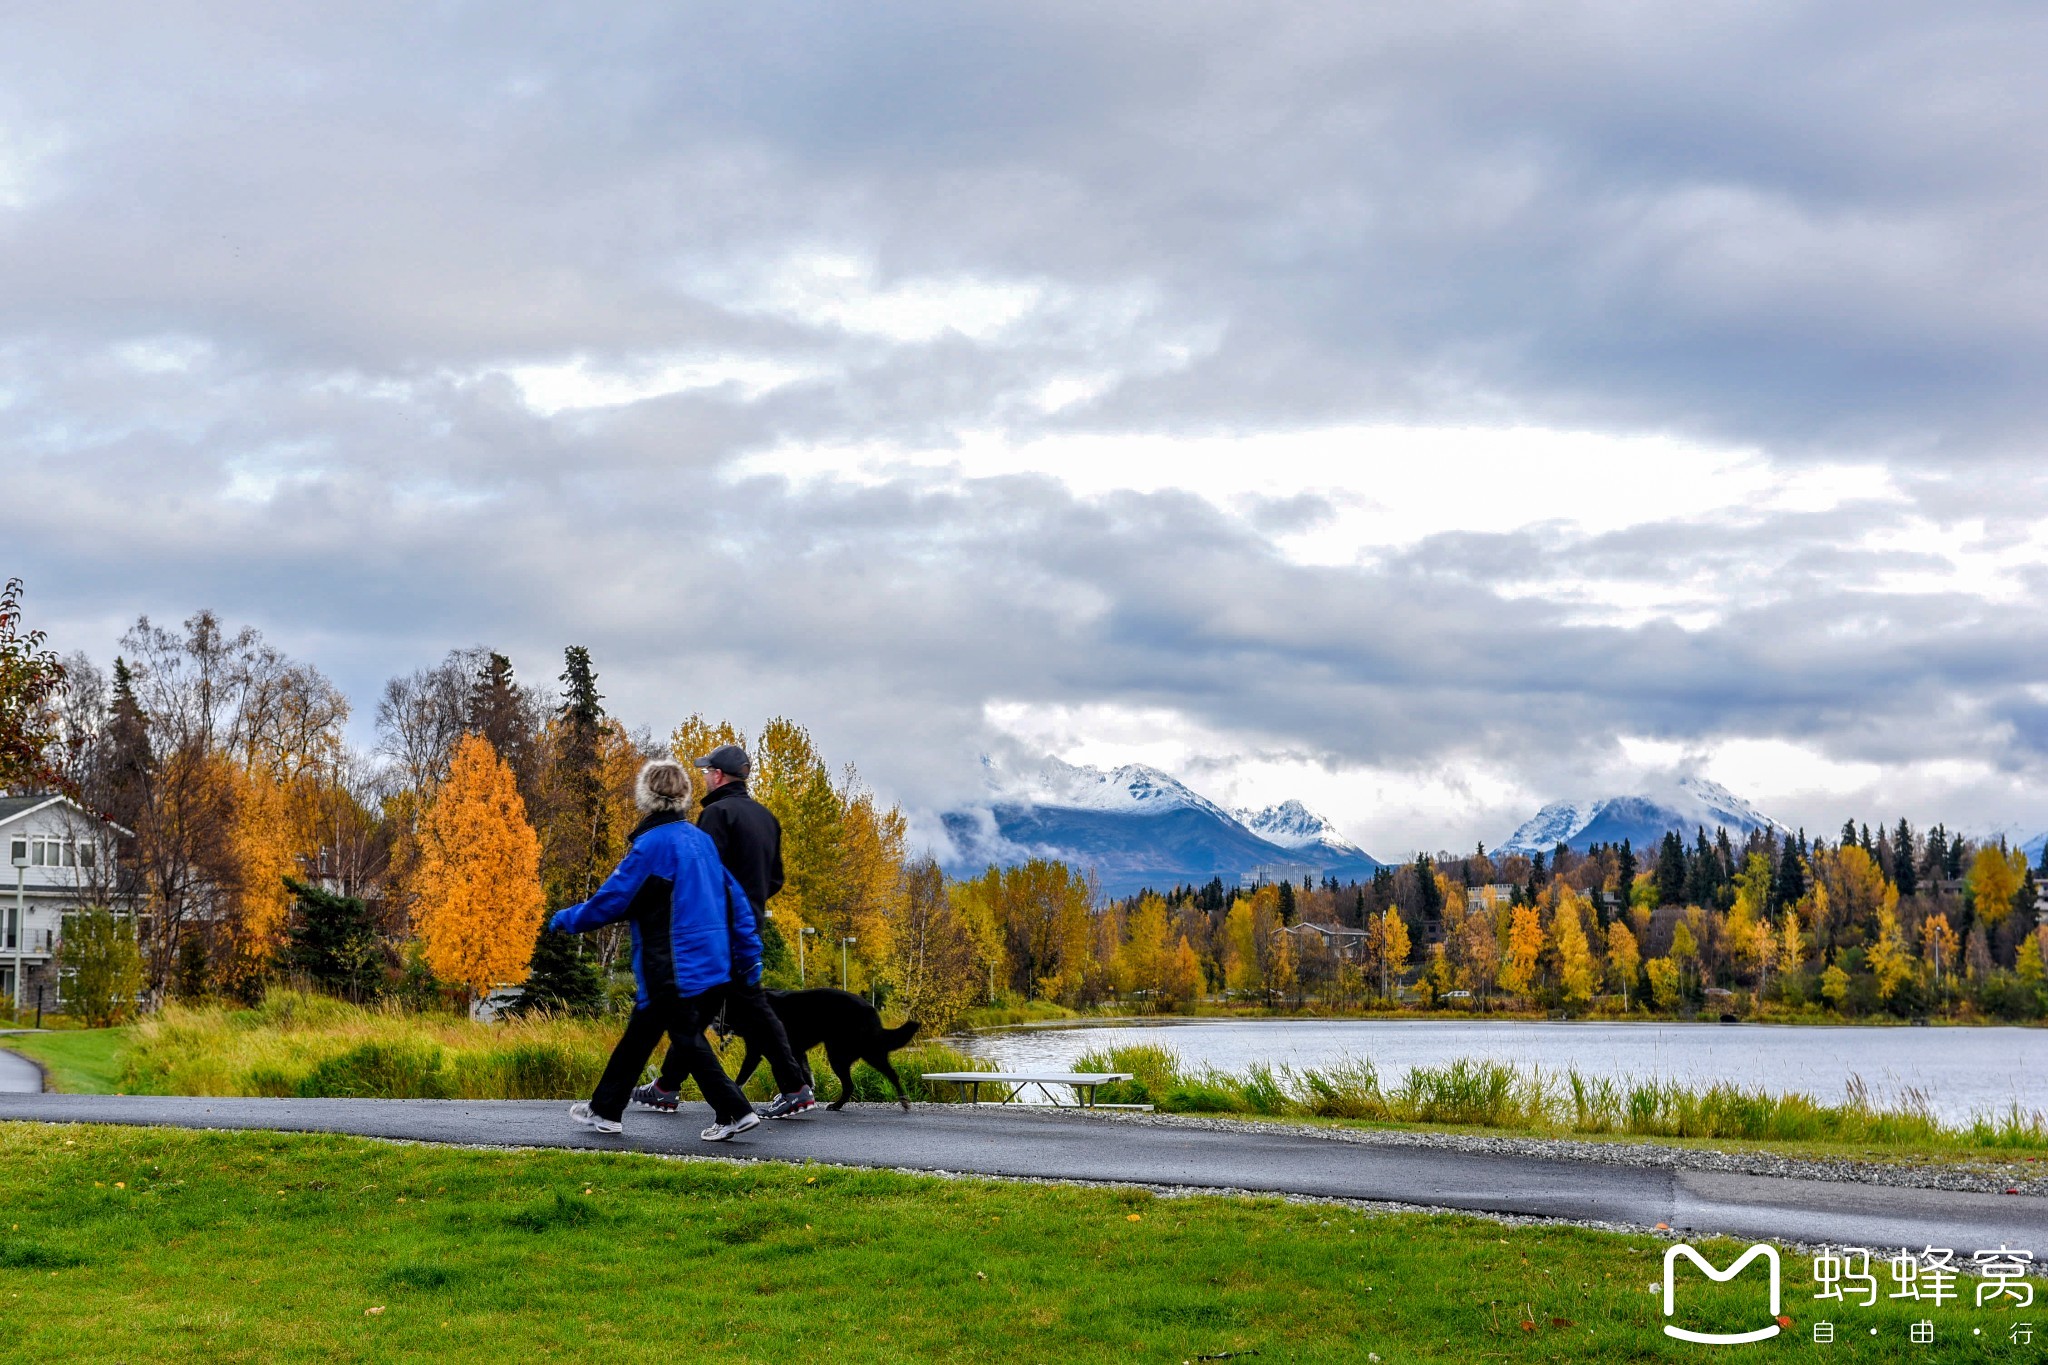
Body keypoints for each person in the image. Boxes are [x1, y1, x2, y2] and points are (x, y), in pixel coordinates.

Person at [548, 758, 761, 1141]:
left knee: (685, 1038)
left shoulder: (651, 846)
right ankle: (606, 1109)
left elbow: (611, 901)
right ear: (683, 796)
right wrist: (749, 956)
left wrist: (564, 920)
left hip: (673, 966)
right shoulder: (701, 840)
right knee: (641, 1034)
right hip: (712, 963)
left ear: (646, 796)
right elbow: (738, 901)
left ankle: (735, 1111)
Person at [632, 742, 815, 1119]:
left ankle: (793, 1088)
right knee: (716, 1010)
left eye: (705, 771)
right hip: (749, 927)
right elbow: (775, 878)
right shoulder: (766, 818)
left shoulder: (716, 815)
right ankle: (667, 1087)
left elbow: (701, 873)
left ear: (718, 775)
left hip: (716, 930)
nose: (702, 777)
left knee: (710, 1010)